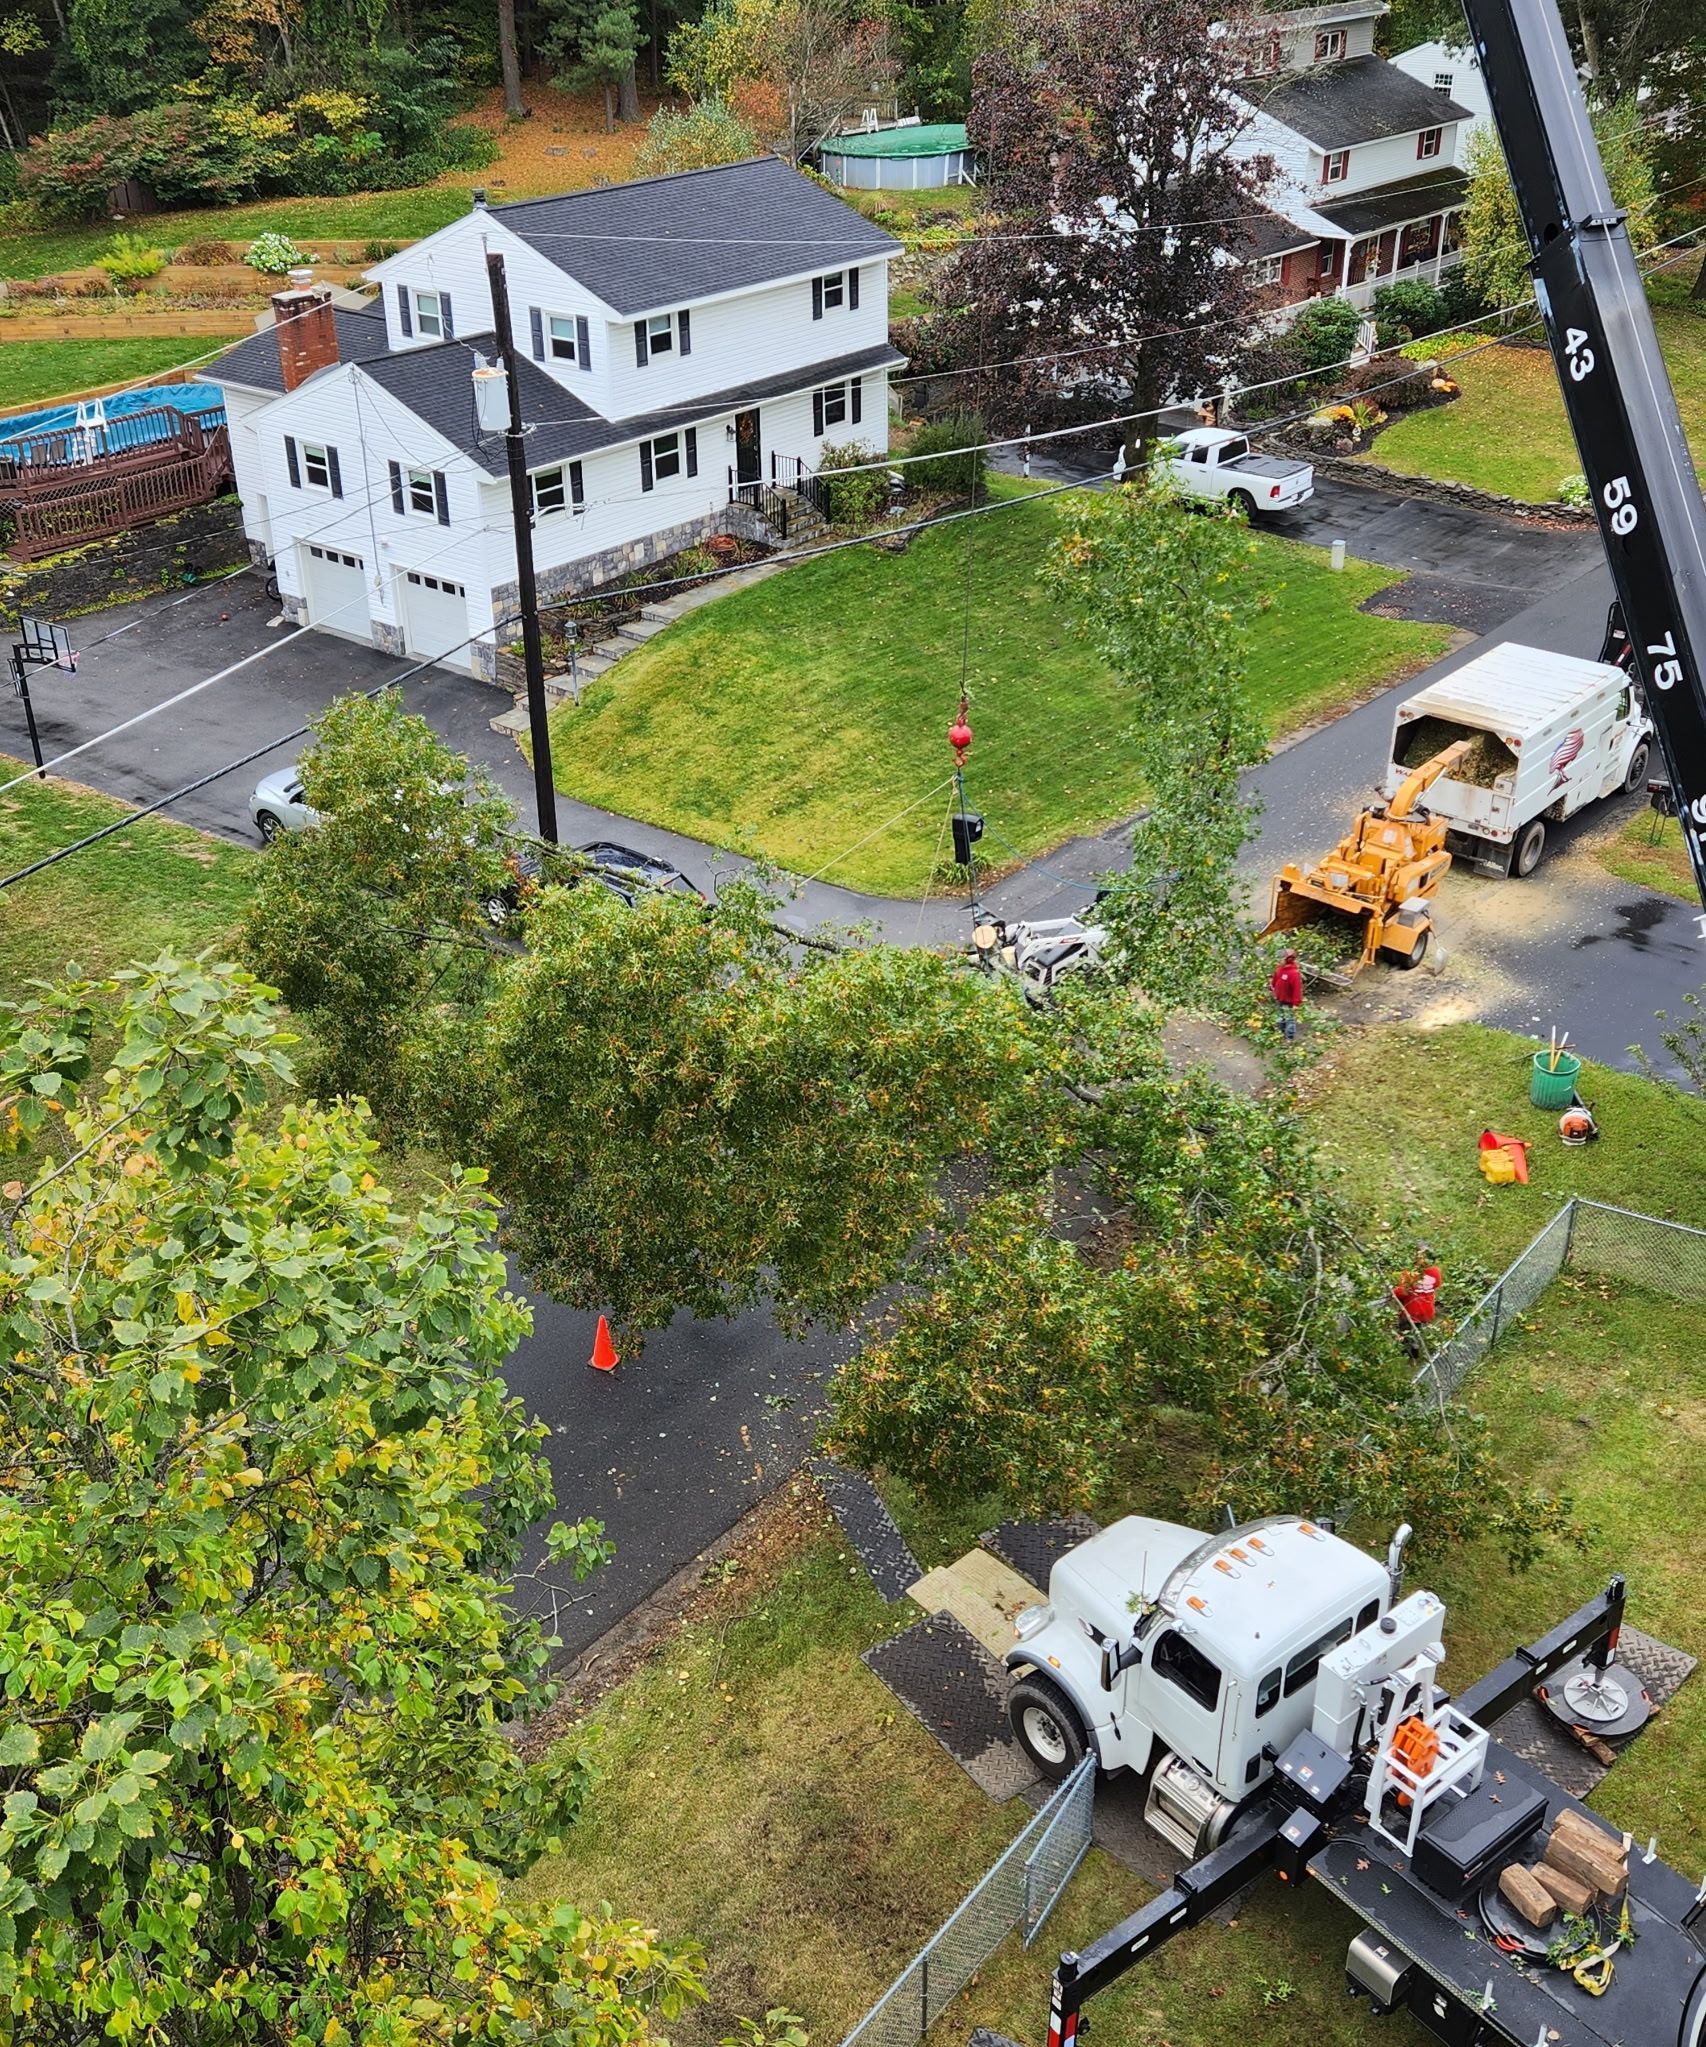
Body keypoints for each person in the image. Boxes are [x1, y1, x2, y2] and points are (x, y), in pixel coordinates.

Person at [1394, 1254, 1442, 1352]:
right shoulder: (1435, 1271)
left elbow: (1401, 1292)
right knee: (1417, 1329)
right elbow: (1437, 1284)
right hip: (1427, 1309)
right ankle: (1417, 1345)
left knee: (1406, 1332)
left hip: (1411, 1310)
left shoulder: (1410, 1274)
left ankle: (1411, 1353)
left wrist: (1393, 1291)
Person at [1269, 949, 1303, 1042]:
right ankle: (1281, 1031)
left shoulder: (1293, 973)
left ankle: (1289, 1037)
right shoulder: (1280, 969)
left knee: (1289, 1019)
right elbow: (1275, 979)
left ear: (1288, 959)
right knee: (1280, 1016)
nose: (1279, 961)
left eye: (1281, 959)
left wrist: (1296, 1003)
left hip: (1288, 1001)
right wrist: (1272, 986)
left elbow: (1297, 989)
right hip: (1279, 998)